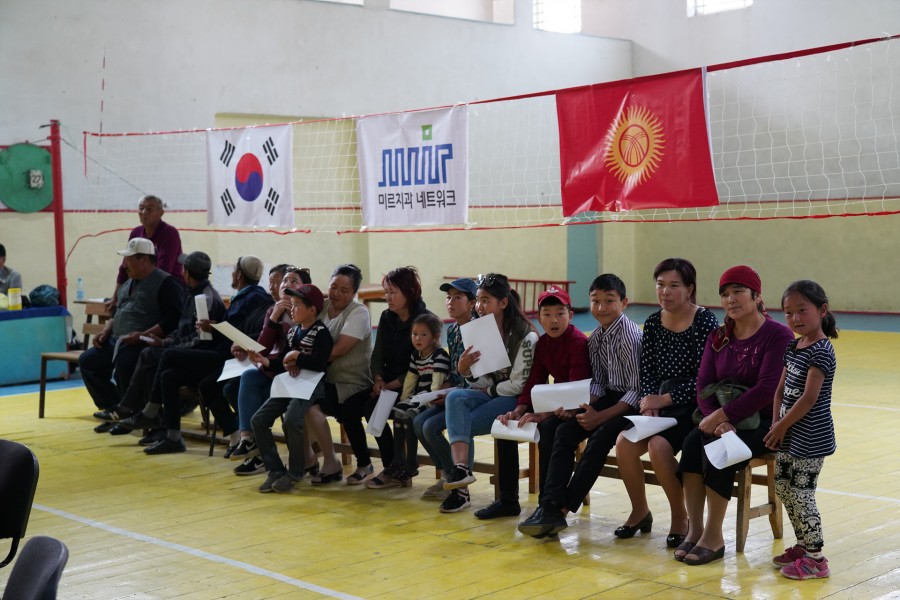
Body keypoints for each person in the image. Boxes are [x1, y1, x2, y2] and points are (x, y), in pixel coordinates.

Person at [676, 265, 793, 565]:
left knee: (721, 452)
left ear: (756, 296)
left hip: (764, 423)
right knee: (691, 444)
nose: (730, 299)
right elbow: (703, 384)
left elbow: (767, 389)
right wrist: (717, 419)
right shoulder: (719, 336)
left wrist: (721, 417)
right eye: (725, 294)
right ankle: (695, 529)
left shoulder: (777, 335)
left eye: (738, 291)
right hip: (723, 419)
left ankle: (714, 536)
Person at [517, 274, 642, 537]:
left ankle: (562, 509)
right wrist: (577, 407)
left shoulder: (630, 337)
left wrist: (599, 417)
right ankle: (548, 505)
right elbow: (597, 384)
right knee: (562, 430)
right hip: (607, 398)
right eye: (595, 301)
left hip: (632, 405)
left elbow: (635, 391)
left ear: (624, 303)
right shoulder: (595, 338)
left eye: (609, 301)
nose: (601, 307)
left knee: (598, 440)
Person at [117, 255, 273, 454]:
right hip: (222, 352)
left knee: (168, 356)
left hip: (227, 356)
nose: (232, 274)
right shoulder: (241, 296)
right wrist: (214, 328)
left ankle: (149, 410)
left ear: (240, 275)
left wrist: (214, 328)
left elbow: (245, 331)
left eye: (234, 270)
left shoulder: (252, 298)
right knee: (169, 375)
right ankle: (173, 437)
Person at [610, 258, 718, 547]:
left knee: (658, 446)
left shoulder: (704, 321)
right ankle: (640, 511)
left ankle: (680, 517)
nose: (665, 292)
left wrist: (666, 398)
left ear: (689, 289)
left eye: (674, 285)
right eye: (660, 285)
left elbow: (706, 379)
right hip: (660, 406)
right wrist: (649, 403)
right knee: (624, 443)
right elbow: (647, 370)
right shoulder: (653, 322)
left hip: (693, 408)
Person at [479, 286, 590, 520]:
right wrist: (519, 409)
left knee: (548, 430)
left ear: (570, 315)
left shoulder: (578, 342)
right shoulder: (543, 344)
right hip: (556, 403)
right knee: (505, 425)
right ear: (539, 318)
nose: (553, 320)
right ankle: (508, 500)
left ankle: (546, 503)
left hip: (578, 406)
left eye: (560, 313)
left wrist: (544, 414)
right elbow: (534, 382)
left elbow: (576, 390)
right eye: (547, 314)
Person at [440, 273, 538, 513]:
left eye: (486, 301)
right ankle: (461, 470)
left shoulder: (525, 335)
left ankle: (462, 492)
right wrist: (467, 372)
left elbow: (518, 386)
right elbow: (483, 378)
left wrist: (487, 388)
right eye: (478, 301)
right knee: (455, 398)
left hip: (518, 400)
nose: (479, 307)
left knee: (462, 424)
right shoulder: (482, 331)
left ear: (503, 303)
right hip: (493, 393)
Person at [101, 251, 226, 437]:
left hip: (201, 358)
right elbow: (182, 330)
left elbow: (199, 340)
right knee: (157, 362)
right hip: (190, 351)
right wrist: (164, 341)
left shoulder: (204, 300)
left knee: (150, 356)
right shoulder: (193, 294)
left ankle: (133, 410)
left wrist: (168, 346)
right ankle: (157, 426)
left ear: (187, 273)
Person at [764, 280, 838, 580]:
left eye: (802, 310)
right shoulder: (793, 346)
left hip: (810, 438)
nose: (794, 318)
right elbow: (780, 390)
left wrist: (781, 425)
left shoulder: (822, 351)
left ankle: (816, 560)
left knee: (801, 493)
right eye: (788, 312)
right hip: (787, 434)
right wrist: (775, 424)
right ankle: (803, 546)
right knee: (783, 487)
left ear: (822, 310)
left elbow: (809, 399)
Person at [81, 238, 184, 432]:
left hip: (143, 342)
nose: (124, 264)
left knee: (125, 363)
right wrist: (105, 330)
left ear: (144, 260)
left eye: (128, 259)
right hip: (117, 339)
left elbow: (173, 319)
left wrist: (143, 335)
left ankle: (132, 413)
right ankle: (113, 408)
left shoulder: (167, 283)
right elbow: (117, 312)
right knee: (88, 362)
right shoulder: (127, 284)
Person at [228, 266, 313, 473]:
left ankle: (262, 457)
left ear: (305, 288)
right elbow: (263, 348)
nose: (286, 285)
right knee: (248, 376)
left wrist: (290, 318)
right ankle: (248, 439)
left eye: (293, 281)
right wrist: (274, 318)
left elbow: (301, 347)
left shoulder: (307, 311)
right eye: (285, 281)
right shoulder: (273, 310)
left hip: (296, 372)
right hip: (275, 368)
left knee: (260, 397)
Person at [253, 284, 334, 493]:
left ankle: (296, 472)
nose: (292, 309)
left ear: (312, 310)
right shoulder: (293, 332)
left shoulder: (321, 333)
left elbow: (320, 363)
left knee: (291, 419)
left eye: (297, 305)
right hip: (293, 384)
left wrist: (298, 357)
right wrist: (264, 360)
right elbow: (283, 361)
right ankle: (275, 469)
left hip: (312, 386)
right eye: (292, 304)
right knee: (259, 420)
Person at [365, 266, 434, 487]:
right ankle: (392, 465)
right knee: (368, 406)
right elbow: (377, 354)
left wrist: (391, 385)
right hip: (388, 383)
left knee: (398, 411)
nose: (388, 297)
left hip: (415, 385)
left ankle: (402, 465)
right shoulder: (387, 317)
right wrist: (378, 379)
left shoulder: (425, 320)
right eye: (386, 292)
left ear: (409, 292)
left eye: (393, 292)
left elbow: (423, 365)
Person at [366, 313, 451, 489]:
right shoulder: (416, 355)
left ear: (435, 337)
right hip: (419, 395)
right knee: (399, 412)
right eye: (414, 334)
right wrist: (405, 399)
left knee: (410, 415)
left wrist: (428, 401)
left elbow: (437, 382)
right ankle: (398, 460)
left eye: (423, 334)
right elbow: (411, 379)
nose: (417, 338)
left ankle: (411, 462)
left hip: (432, 397)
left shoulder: (439, 355)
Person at [414, 278, 478, 501]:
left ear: (472, 303)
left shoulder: (478, 329)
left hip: (473, 395)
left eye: (457, 297)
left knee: (431, 426)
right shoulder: (452, 330)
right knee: (418, 423)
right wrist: (443, 389)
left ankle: (458, 481)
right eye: (448, 297)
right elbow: (453, 370)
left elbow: (480, 375)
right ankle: (447, 476)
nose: (450, 302)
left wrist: (453, 391)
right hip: (455, 392)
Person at [315, 264, 375, 485]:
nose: (336, 293)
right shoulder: (322, 307)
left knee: (310, 404)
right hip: (325, 379)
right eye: (333, 287)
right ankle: (312, 458)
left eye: (344, 290)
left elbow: (339, 349)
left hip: (352, 381)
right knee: (297, 402)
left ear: (354, 293)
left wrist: (304, 359)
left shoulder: (359, 312)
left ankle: (360, 463)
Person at [109, 195, 183, 312]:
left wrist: (138, 295)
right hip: (139, 289)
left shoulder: (169, 233)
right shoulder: (136, 232)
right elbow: (125, 266)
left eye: (149, 209)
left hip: (168, 290)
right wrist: (116, 297)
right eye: (141, 208)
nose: (144, 212)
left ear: (161, 213)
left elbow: (163, 270)